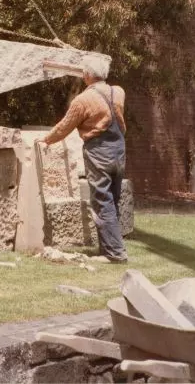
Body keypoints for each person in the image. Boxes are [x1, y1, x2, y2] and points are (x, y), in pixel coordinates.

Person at [41, 55, 128, 263]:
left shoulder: (83, 100)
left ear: (87, 75)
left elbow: (64, 127)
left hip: (99, 152)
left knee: (102, 201)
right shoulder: (119, 92)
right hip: (119, 149)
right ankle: (111, 248)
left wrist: (46, 140)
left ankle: (114, 254)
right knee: (113, 200)